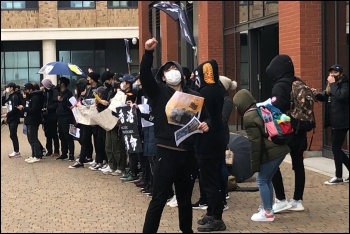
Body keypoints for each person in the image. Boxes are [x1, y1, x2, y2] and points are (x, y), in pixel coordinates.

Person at [140, 37, 210, 233]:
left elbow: (207, 117)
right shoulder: (158, 92)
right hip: (166, 152)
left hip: (187, 153)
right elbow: (145, 76)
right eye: (167, 70)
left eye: (175, 69)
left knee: (185, 199)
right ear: (162, 77)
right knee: (159, 198)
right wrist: (148, 53)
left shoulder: (193, 95)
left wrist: (206, 125)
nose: (172, 73)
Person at [232, 89, 291, 222]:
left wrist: (254, 164)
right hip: (280, 148)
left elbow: (255, 143)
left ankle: (268, 213)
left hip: (272, 151)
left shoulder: (248, 117)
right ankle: (268, 208)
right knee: (267, 179)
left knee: (262, 180)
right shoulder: (260, 108)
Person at [266, 54, 307, 213]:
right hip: (300, 129)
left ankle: (281, 198)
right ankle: (297, 200)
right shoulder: (299, 83)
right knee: (299, 165)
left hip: (286, 131)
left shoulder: (280, 86)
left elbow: (276, 108)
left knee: (272, 162)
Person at [192, 60, 227, 232]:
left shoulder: (205, 92)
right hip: (218, 138)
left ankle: (217, 217)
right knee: (212, 177)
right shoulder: (218, 88)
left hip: (207, 140)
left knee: (209, 180)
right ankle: (212, 212)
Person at [311, 64, 349, 185]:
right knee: (336, 148)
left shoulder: (345, 84)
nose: (332, 75)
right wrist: (315, 94)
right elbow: (325, 96)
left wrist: (332, 83)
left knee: (335, 148)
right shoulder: (333, 86)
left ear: (341, 74)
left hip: (342, 122)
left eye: (335, 73)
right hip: (334, 121)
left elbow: (340, 97)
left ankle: (338, 177)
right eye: (331, 73)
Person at [17, 83, 43, 163]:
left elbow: (34, 110)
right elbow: (27, 107)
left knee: (33, 138)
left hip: (33, 120)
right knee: (30, 138)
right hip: (28, 119)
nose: (25, 91)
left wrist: (24, 108)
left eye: (26, 90)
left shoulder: (35, 97)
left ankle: (37, 155)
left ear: (31, 89)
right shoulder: (30, 97)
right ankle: (33, 155)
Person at [56, 77, 75, 161]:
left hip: (67, 117)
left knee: (68, 136)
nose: (58, 84)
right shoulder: (60, 93)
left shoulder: (69, 94)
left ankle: (71, 153)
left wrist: (63, 100)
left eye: (59, 82)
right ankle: (64, 153)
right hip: (60, 117)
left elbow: (73, 104)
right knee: (61, 135)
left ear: (63, 84)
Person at [41, 78, 60, 157]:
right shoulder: (45, 92)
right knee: (47, 133)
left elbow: (56, 104)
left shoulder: (54, 91)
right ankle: (49, 150)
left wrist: (48, 108)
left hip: (52, 115)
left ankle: (56, 150)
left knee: (54, 133)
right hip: (46, 115)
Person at [2, 83, 21, 158]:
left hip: (14, 118)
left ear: (12, 88)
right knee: (12, 135)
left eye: (8, 87)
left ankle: (16, 151)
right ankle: (16, 151)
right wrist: (4, 95)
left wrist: (8, 114)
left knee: (13, 134)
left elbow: (15, 109)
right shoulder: (11, 96)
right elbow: (3, 103)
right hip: (10, 118)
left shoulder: (15, 96)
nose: (7, 89)